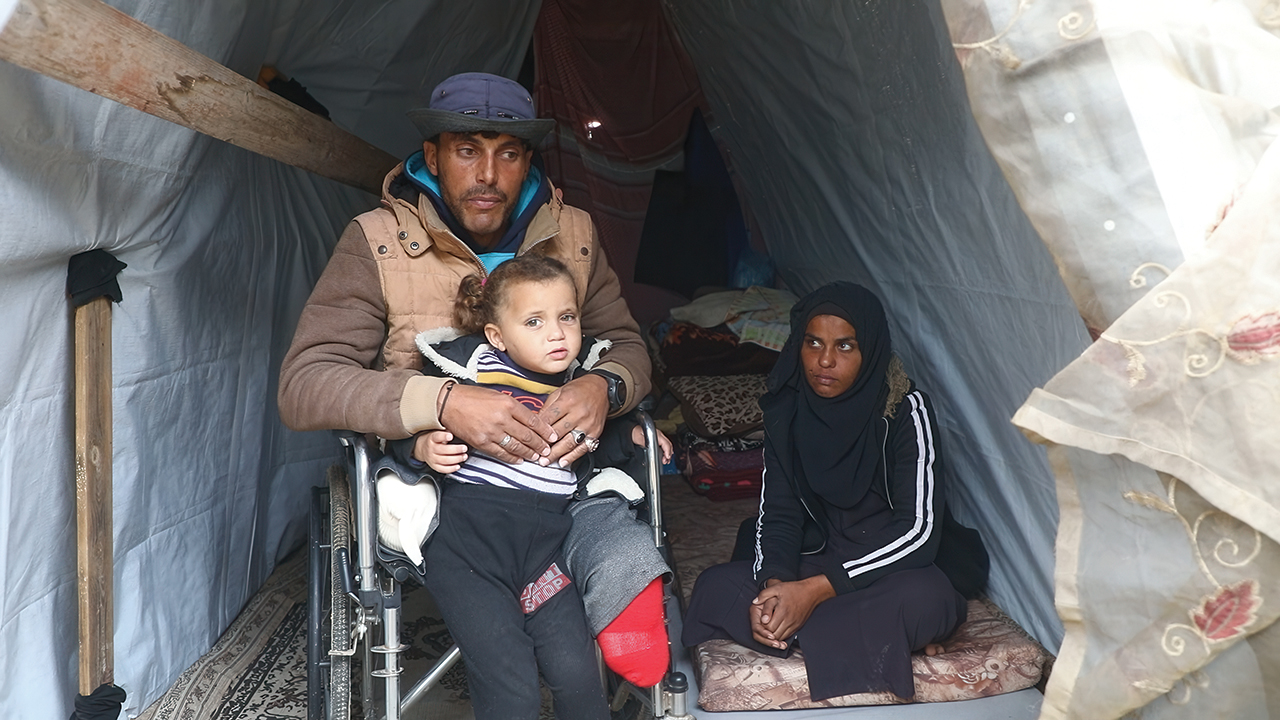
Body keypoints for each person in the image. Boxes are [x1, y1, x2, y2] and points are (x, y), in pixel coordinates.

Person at [277, 72, 668, 693]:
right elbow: (306, 383)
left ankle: (625, 640)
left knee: (617, 546)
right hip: (442, 490)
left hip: (557, 485)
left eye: (507, 153)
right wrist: (443, 401)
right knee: (508, 669)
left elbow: (627, 346)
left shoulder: (575, 237)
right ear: (432, 156)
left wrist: (605, 387)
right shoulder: (376, 242)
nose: (488, 174)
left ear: (527, 161)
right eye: (467, 150)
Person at [378, 255, 672, 719]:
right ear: (497, 335)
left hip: (543, 553)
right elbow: (397, 433)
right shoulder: (472, 374)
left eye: (567, 317)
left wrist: (630, 435)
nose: (556, 334)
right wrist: (420, 449)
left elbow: (593, 446)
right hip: (469, 551)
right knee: (511, 686)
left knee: (578, 674)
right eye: (534, 321)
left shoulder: (578, 385)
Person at [681, 281, 983, 702]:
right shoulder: (788, 409)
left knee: (927, 600)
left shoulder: (904, 410)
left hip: (890, 568)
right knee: (716, 586)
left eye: (845, 347)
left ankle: (814, 630)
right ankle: (873, 636)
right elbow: (780, 514)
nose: (825, 360)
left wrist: (813, 592)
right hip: (820, 553)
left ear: (869, 350)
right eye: (813, 343)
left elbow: (918, 532)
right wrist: (777, 589)